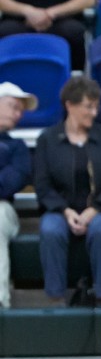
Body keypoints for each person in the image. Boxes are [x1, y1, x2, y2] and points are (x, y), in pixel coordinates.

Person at [35, 76, 101, 306]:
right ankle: (55, 299)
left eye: (96, 106)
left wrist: (94, 210)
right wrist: (66, 211)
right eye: (88, 106)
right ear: (70, 105)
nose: (94, 112)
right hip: (61, 211)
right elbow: (42, 185)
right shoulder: (48, 139)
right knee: (50, 230)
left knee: (100, 229)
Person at [0, 82, 36, 309]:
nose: (18, 113)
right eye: (13, 106)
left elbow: (9, 184)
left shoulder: (17, 147)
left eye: (21, 110)